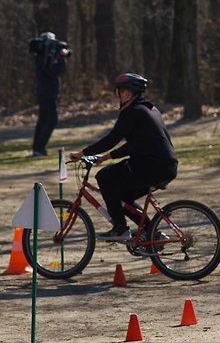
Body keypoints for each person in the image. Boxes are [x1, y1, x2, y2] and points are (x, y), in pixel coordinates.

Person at [69, 73, 178, 241]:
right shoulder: (150, 109)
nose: (117, 97)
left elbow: (111, 139)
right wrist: (104, 157)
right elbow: (134, 144)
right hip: (167, 167)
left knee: (104, 177)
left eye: (118, 92)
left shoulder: (132, 112)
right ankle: (152, 233)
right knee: (121, 197)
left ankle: (120, 228)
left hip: (151, 166)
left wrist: (82, 153)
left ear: (126, 93)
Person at [31, 32, 68, 157]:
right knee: (52, 120)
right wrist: (62, 59)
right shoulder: (44, 59)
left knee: (43, 120)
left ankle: (37, 148)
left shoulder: (40, 57)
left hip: (44, 93)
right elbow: (53, 72)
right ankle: (39, 147)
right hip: (48, 94)